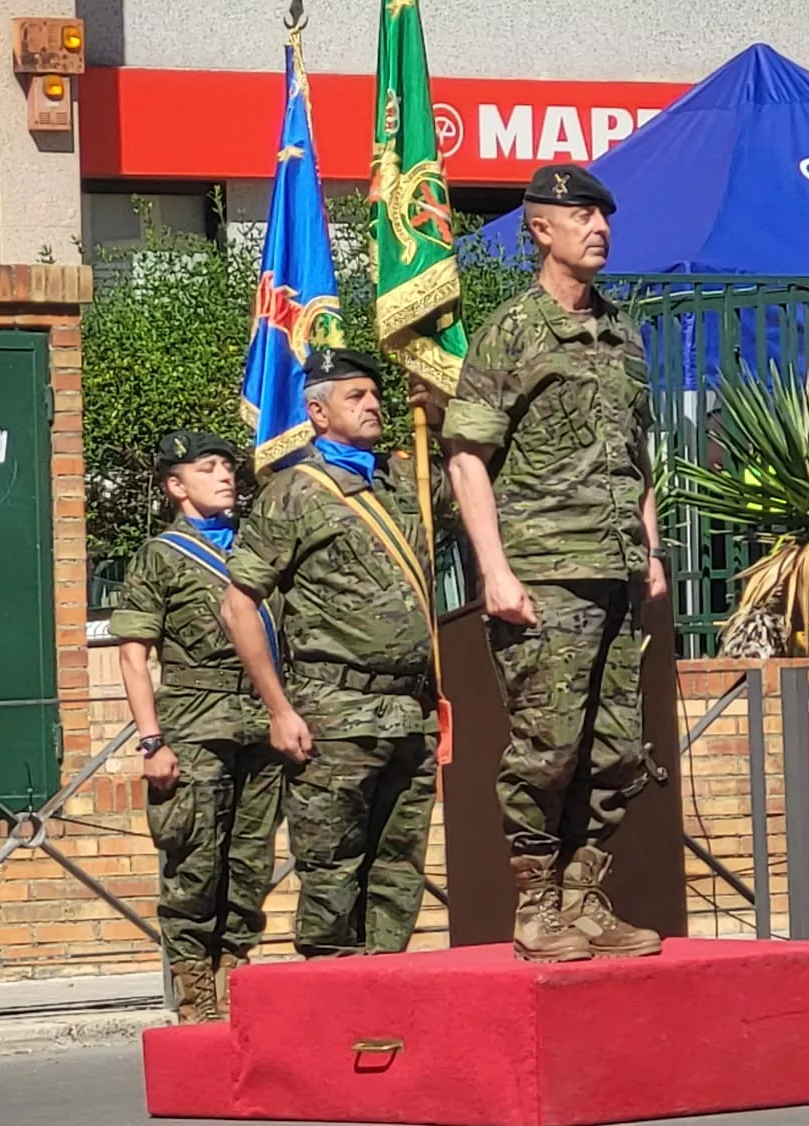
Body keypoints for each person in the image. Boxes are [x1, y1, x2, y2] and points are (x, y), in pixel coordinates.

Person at [443, 163, 667, 963]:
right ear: (540, 230)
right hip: (544, 572)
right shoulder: (513, 331)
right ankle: (536, 907)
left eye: (605, 217)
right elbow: (467, 456)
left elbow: (636, 454)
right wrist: (494, 571)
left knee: (617, 752)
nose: (599, 228)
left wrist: (649, 545)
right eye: (581, 218)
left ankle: (584, 901)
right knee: (548, 748)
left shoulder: (625, 335)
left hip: (613, 569)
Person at [220, 348, 441, 959]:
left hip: (409, 712)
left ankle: (388, 1006)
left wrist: (443, 416)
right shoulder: (295, 492)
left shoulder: (405, 478)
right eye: (356, 397)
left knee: (398, 876)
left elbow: (485, 487)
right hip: (334, 711)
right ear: (317, 412)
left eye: (375, 395)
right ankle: (334, 1018)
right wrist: (278, 708)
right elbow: (239, 605)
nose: (373, 405)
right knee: (331, 879)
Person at [110, 431, 282, 1023]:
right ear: (176, 486)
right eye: (208, 468)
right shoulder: (161, 556)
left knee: (250, 861)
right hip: (194, 723)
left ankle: (235, 979)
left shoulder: (257, 552)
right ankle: (197, 996)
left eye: (228, 467)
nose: (226, 477)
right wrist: (152, 740)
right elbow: (134, 654)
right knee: (195, 865)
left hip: (260, 726)